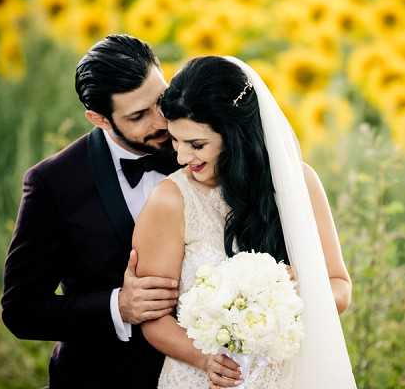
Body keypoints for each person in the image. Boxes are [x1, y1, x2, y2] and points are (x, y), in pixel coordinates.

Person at [133, 56, 358, 388]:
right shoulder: (170, 200)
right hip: (202, 379)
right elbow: (153, 319)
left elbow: (339, 287)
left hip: (287, 378)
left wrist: (285, 296)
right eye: (175, 141)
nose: (181, 157)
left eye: (197, 145)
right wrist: (204, 358)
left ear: (235, 135)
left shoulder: (299, 184)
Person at [1, 34, 181, 388]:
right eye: (138, 116)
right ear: (98, 119)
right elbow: (20, 310)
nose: (161, 121)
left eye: (161, 99)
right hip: (101, 377)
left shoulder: (198, 145)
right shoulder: (52, 183)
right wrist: (118, 307)